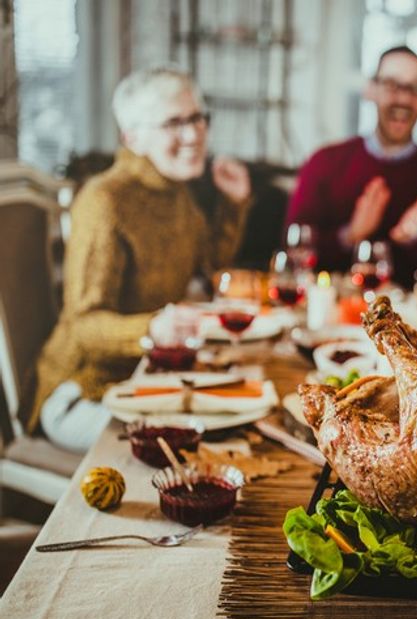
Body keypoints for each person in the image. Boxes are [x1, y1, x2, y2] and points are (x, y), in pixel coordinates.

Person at [28, 66, 251, 453]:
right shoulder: (104, 200)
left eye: (198, 117)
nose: (194, 133)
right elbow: (84, 326)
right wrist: (152, 330)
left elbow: (209, 262)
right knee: (192, 445)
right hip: (81, 392)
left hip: (145, 383)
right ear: (132, 137)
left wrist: (234, 204)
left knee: (238, 424)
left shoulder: (177, 191)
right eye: (174, 122)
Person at [285, 46, 417, 289]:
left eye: (414, 88)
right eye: (392, 85)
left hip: (410, 321)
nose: (403, 99)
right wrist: (350, 235)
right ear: (370, 90)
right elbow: (292, 254)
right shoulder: (325, 162)